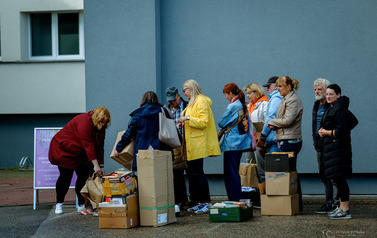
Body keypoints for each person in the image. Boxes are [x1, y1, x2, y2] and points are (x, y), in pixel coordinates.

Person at [49, 106, 111, 215]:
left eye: (104, 123)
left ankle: (81, 205)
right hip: (66, 150)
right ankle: (59, 203)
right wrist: (95, 166)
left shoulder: (101, 127)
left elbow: (100, 147)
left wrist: (101, 165)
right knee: (65, 177)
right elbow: (89, 145)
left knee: (83, 177)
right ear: (96, 118)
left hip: (81, 152)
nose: (102, 125)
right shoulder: (84, 122)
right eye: (101, 122)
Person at [177, 79, 221, 214]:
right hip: (192, 143)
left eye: (185, 89)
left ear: (192, 88)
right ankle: (200, 202)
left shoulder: (201, 101)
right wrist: (184, 122)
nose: (184, 92)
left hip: (198, 143)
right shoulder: (192, 103)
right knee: (193, 173)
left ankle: (206, 202)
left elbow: (203, 122)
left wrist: (188, 119)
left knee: (198, 173)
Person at [319, 84, 358, 219]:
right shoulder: (332, 107)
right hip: (332, 149)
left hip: (338, 149)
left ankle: (345, 210)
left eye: (331, 94)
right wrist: (324, 131)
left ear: (338, 95)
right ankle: (341, 207)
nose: (328, 96)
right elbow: (353, 121)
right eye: (327, 94)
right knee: (337, 178)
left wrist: (327, 132)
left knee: (340, 179)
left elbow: (342, 131)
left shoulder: (339, 109)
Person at [267, 76, 304, 211]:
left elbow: (288, 120)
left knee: (289, 172)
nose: (277, 89)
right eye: (277, 86)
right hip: (285, 139)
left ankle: (295, 204)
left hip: (290, 140)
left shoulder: (292, 99)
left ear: (289, 86)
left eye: (280, 86)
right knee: (289, 171)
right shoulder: (286, 98)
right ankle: (293, 204)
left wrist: (272, 122)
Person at [114, 91, 172, 171]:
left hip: (143, 152)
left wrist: (118, 148)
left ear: (143, 100)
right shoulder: (163, 111)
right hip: (162, 150)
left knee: (145, 179)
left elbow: (129, 133)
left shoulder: (138, 114)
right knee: (161, 179)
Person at [218, 83, 252, 202]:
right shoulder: (243, 105)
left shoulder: (233, 106)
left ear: (231, 93)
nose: (226, 97)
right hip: (240, 143)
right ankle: (236, 198)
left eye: (226, 94)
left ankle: (234, 199)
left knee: (230, 174)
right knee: (234, 172)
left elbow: (221, 123)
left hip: (231, 144)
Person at [312, 78, 340, 214]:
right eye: (315, 89)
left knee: (333, 176)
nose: (317, 92)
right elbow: (314, 126)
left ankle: (336, 203)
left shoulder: (333, 105)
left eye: (320, 89)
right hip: (319, 145)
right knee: (324, 175)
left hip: (331, 145)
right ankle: (329, 203)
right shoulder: (316, 105)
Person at [166, 87, 189, 215]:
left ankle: (193, 201)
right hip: (175, 144)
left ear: (178, 96)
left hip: (188, 142)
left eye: (173, 100)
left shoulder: (187, 106)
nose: (172, 103)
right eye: (170, 101)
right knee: (178, 173)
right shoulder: (167, 110)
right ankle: (180, 201)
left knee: (192, 172)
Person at [243, 83, 268, 183]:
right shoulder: (249, 106)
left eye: (249, 93)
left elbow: (267, 122)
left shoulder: (265, 104)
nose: (247, 96)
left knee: (261, 167)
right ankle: (253, 191)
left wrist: (262, 138)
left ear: (256, 92)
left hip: (260, 139)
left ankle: (265, 193)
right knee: (250, 166)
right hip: (250, 139)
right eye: (246, 93)